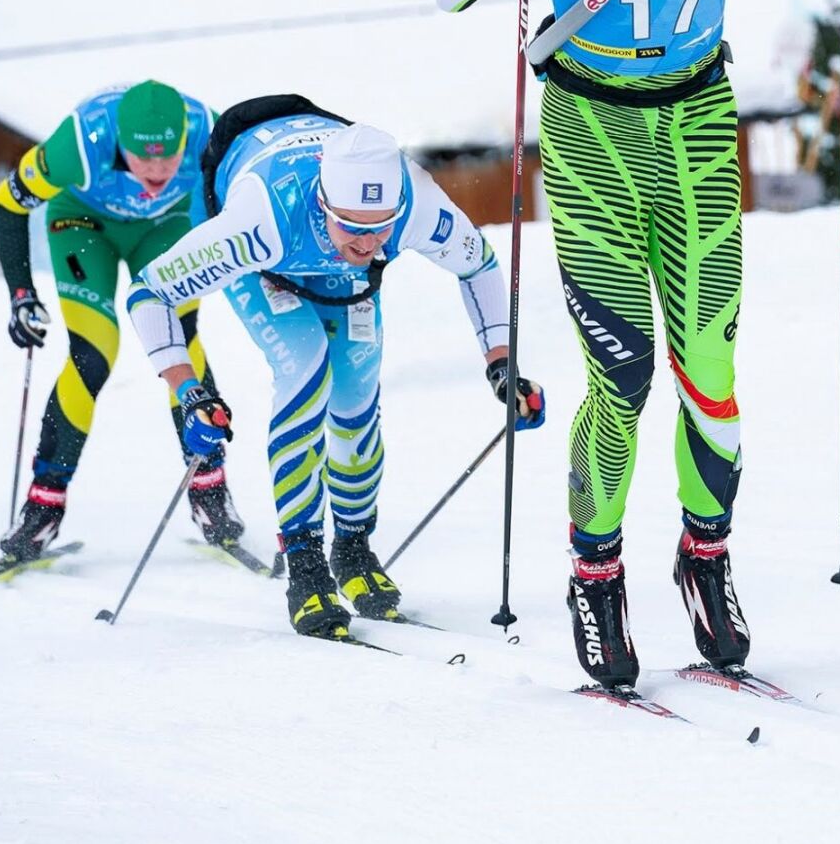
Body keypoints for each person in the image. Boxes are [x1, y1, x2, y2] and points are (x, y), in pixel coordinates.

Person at [431, 0, 840, 687]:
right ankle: (595, 575)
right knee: (623, 374)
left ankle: (705, 557)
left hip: (697, 128)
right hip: (590, 135)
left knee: (710, 369)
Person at [123, 97, 544, 641]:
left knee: (355, 392)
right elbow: (149, 293)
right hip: (273, 259)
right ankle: (304, 563)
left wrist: (502, 365)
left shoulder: (416, 202)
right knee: (306, 368)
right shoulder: (258, 219)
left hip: (335, 268)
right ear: (325, 202)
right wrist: (188, 391)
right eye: (351, 228)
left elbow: (479, 265)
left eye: (381, 229)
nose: (367, 243)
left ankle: (352, 547)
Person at [0, 80, 244, 560]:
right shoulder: (79, 143)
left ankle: (209, 488)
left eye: (169, 158)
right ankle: (44, 504)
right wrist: (21, 294)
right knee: (93, 353)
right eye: (142, 158)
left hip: (166, 225)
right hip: (83, 225)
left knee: (182, 340)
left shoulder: (211, 131)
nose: (157, 171)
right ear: (120, 143)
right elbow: (6, 203)